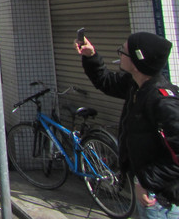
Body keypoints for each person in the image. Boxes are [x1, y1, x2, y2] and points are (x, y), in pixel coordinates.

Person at [76, 31, 179, 218]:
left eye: (123, 52)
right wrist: (91, 56)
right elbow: (105, 81)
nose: (120, 54)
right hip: (149, 192)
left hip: (162, 201)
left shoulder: (162, 100)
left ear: (138, 62)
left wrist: (145, 182)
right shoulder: (136, 85)